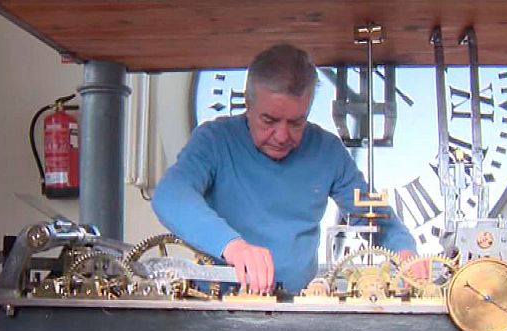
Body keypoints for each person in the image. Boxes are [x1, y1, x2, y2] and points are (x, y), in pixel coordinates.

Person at [152, 43, 420, 294]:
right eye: (269, 120)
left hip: (295, 317)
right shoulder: (214, 140)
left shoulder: (328, 151)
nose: (281, 136)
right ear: (248, 103)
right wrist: (232, 246)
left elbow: (375, 217)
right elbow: (170, 195)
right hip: (219, 311)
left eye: (296, 123)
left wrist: (405, 253)